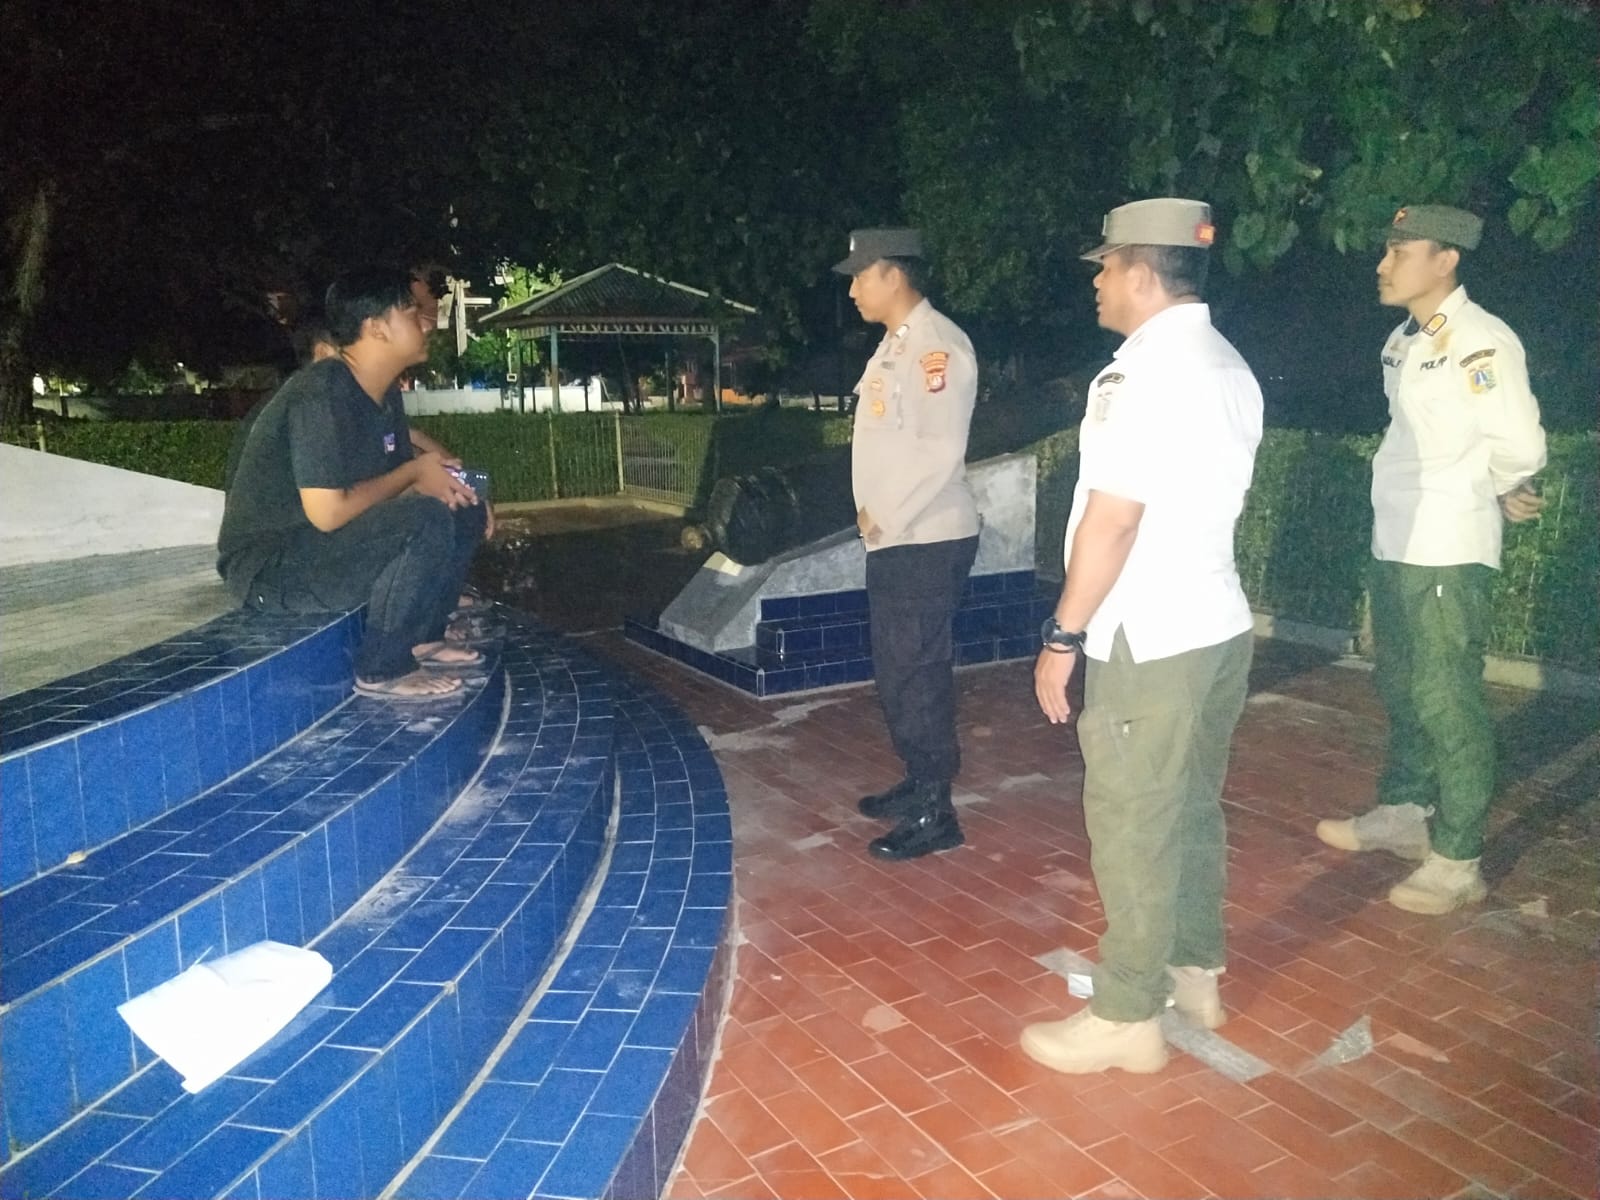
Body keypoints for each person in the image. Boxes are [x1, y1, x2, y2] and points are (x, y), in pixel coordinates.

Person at [1025, 199, 1262, 1075]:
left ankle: (1128, 1015)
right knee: (1192, 806)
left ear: (1138, 270)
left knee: (1131, 821)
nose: (1096, 280)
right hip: (1217, 625)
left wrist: (1063, 635)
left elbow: (1114, 520)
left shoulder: (1139, 374)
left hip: (1149, 633)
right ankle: (1196, 974)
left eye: (1104, 265)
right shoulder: (1229, 363)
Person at [1315, 205, 1547, 914]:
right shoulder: (1403, 340)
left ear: (1445, 260)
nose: (1383, 265)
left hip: (1447, 544)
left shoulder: (1480, 341)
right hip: (1398, 539)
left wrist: (1500, 484)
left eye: (1399, 252)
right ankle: (1404, 811)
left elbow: (1520, 443)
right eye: (1385, 251)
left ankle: (1457, 857)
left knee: (1447, 699)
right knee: (1401, 684)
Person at [218, 267, 487, 700]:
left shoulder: (384, 393)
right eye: (411, 313)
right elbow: (328, 513)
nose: (426, 323)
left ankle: (424, 637)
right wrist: (414, 474)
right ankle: (383, 668)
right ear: (376, 327)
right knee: (424, 517)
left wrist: (456, 488)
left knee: (461, 506)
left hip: (322, 549)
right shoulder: (321, 390)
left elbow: (392, 487)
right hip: (272, 571)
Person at [836, 228, 980, 861]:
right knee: (900, 668)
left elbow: (938, 450)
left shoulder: (935, 348)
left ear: (893, 274)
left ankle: (936, 811)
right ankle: (920, 779)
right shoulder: (897, 345)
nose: (853, 289)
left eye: (860, 275)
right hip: (901, 536)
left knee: (915, 672)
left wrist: (883, 520)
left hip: (921, 535)